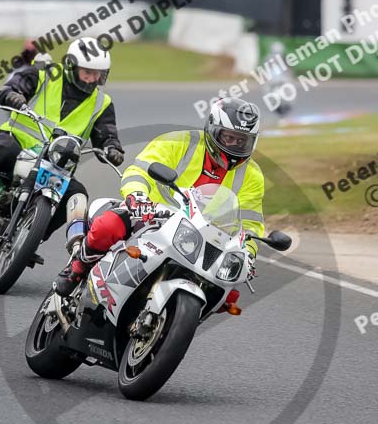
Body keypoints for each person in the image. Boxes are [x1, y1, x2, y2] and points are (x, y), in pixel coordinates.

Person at [55, 97, 264, 304]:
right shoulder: (178, 141)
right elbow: (139, 170)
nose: (235, 145)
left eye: (242, 141)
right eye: (228, 137)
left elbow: (250, 223)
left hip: (201, 237)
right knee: (107, 226)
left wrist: (249, 254)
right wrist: (137, 196)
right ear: (212, 129)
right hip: (151, 215)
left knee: (227, 293)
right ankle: (77, 267)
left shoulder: (253, 175)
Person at [0, 37, 125, 245]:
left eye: (98, 75)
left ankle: (33, 237)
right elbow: (11, 88)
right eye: (87, 72)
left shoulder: (102, 103)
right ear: (71, 67)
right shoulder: (44, 74)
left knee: (78, 193)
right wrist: (13, 95)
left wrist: (112, 148)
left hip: (57, 165)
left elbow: (107, 134)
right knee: (3, 149)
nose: (93, 79)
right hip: (19, 144)